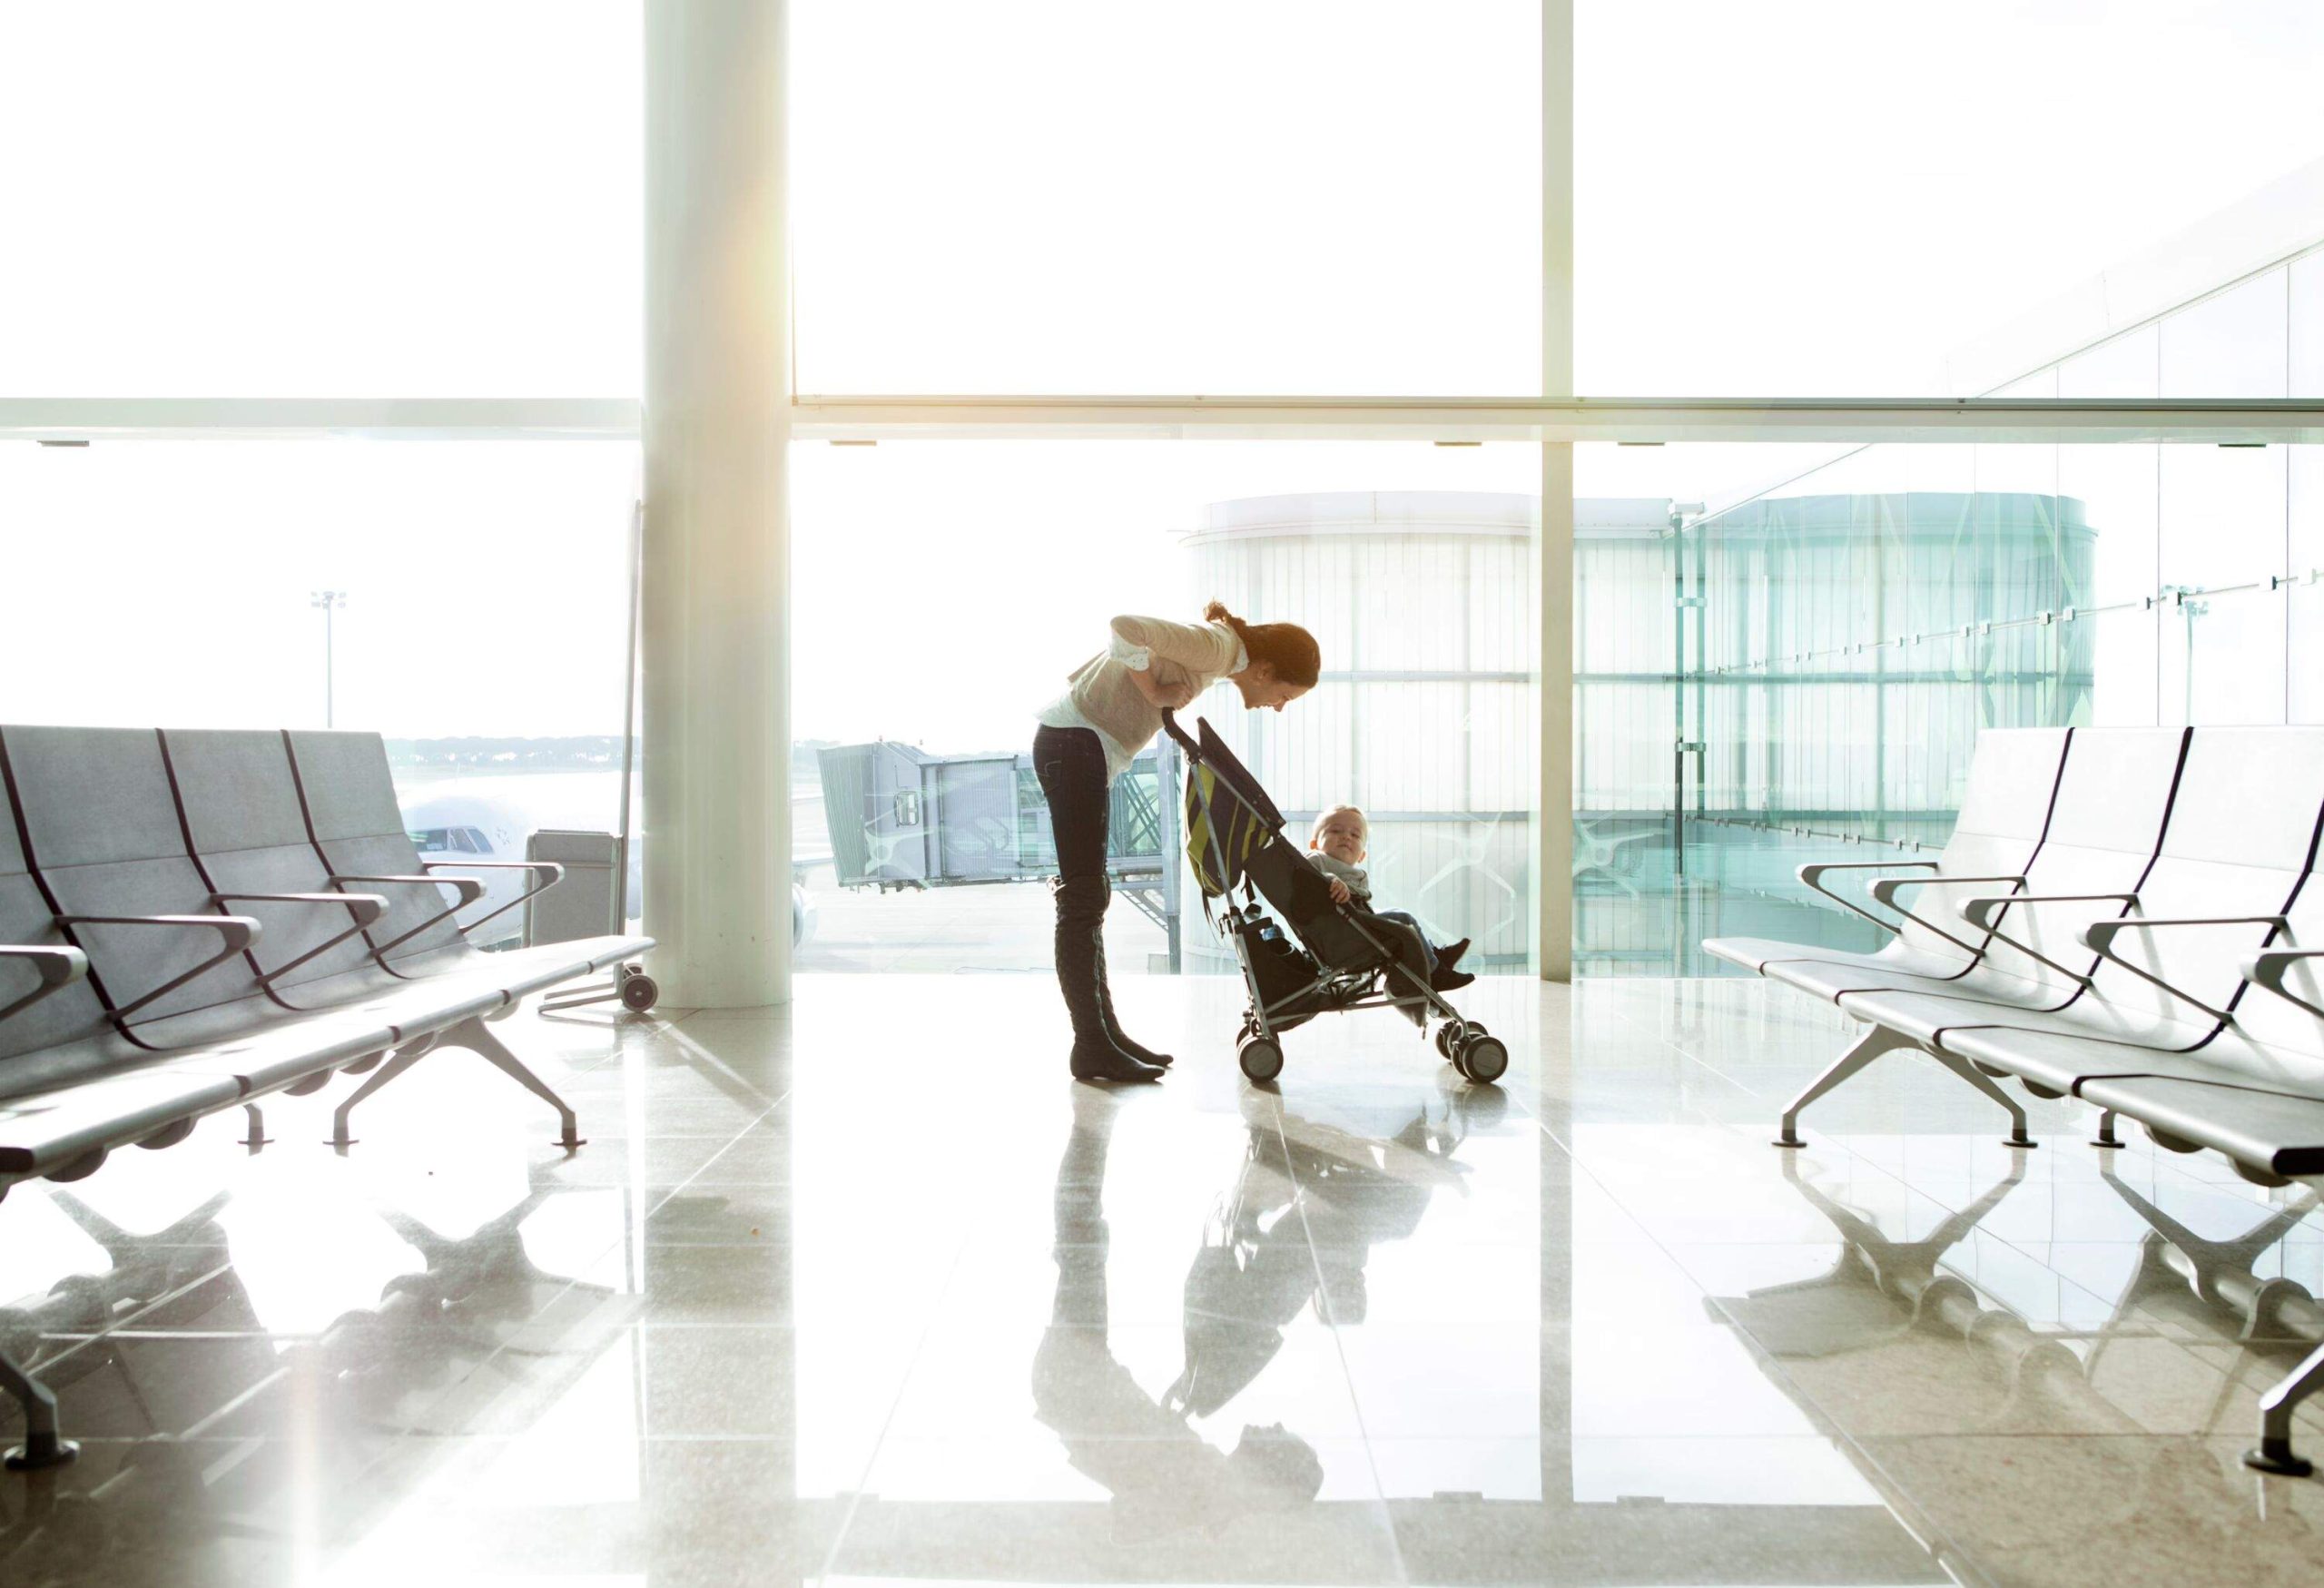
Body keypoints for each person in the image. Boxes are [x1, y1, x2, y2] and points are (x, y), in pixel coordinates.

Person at [1035, 603, 1319, 1082]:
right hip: (1074, 745)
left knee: (1089, 896)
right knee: (1082, 899)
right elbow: (1125, 628)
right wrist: (1154, 689)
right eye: (1284, 694)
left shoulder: (1220, 652)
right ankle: (1090, 1045)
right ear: (1266, 670)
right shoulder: (1218, 646)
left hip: (1080, 747)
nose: (1279, 705)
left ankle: (1104, 1036)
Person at [1304, 805, 1474, 991]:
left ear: (1361, 855)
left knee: (1395, 917)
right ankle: (1436, 974)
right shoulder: (1317, 859)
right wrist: (1330, 880)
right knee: (1403, 918)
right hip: (1342, 935)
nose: (1346, 837)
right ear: (1314, 844)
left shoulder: (1358, 874)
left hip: (1356, 926)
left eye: (1355, 835)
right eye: (1336, 830)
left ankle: (1435, 958)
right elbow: (1305, 880)